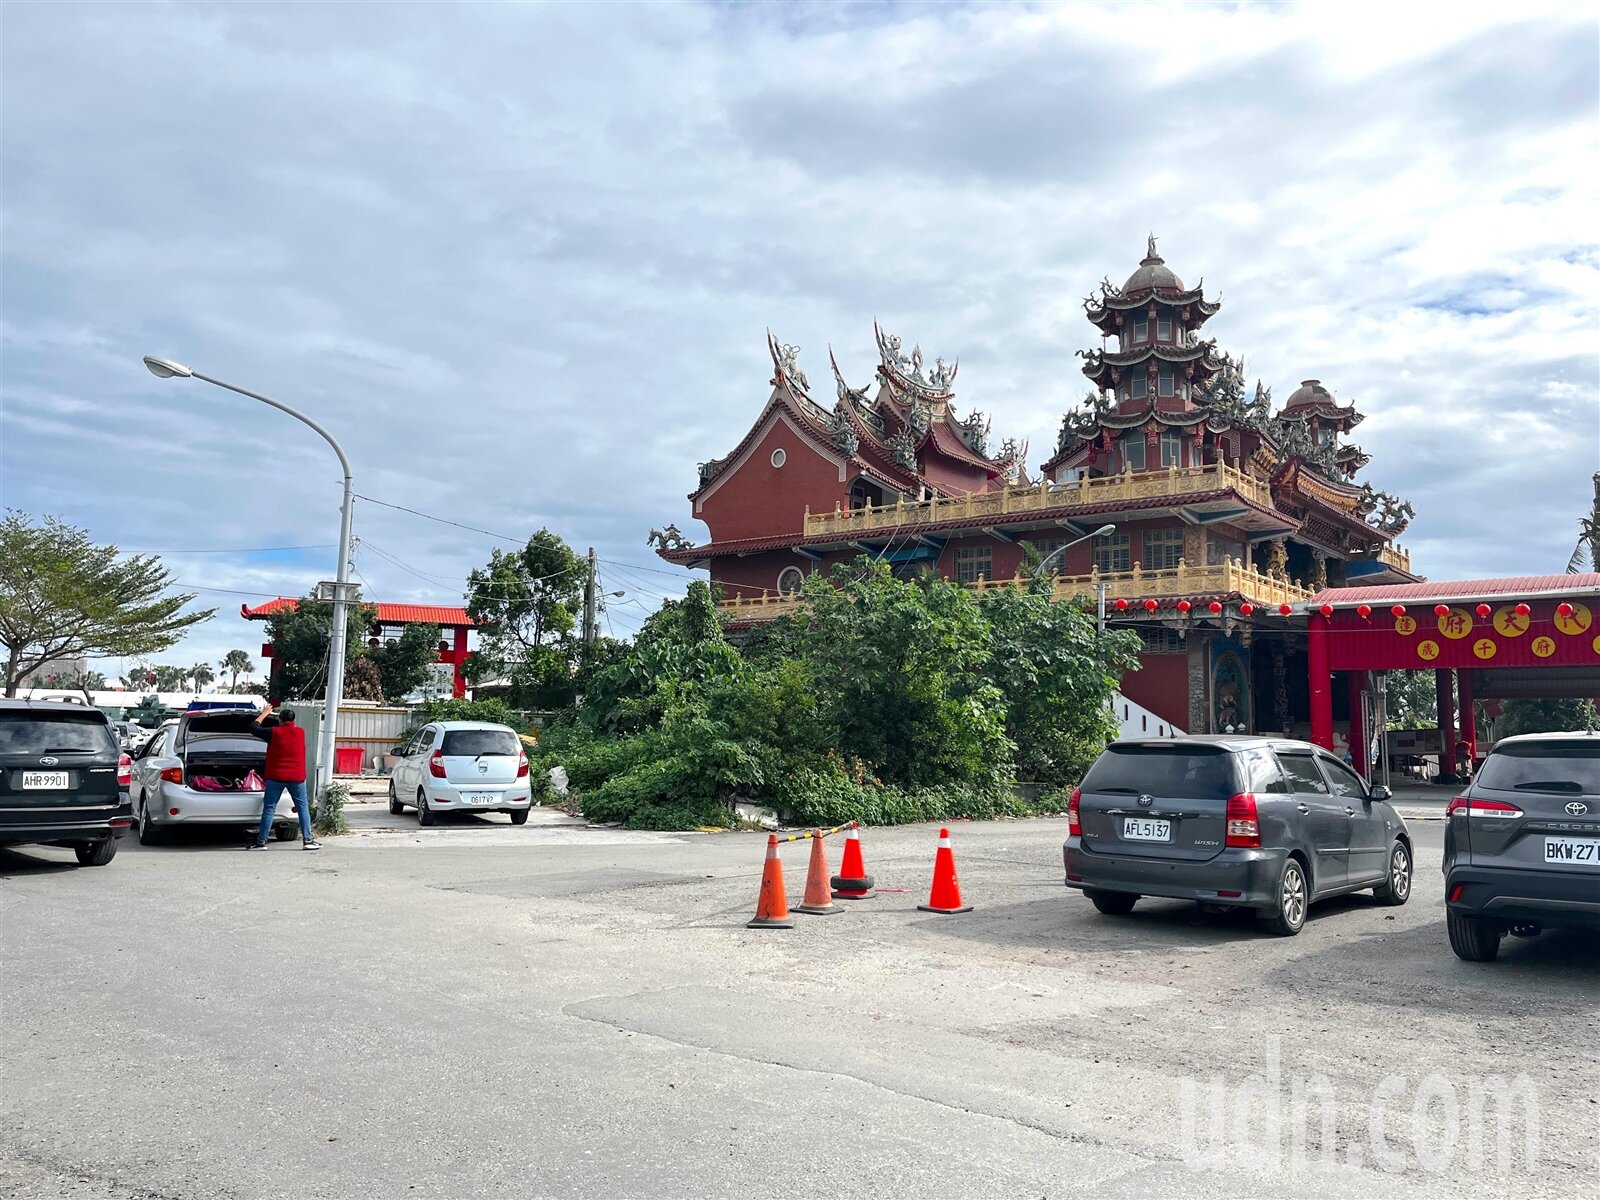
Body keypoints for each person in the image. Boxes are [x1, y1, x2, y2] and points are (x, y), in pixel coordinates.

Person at [246, 702, 320, 850]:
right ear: (294, 721)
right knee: (302, 807)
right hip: (297, 777)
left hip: (276, 777)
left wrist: (265, 713)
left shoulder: (274, 732)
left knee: (269, 808)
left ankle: (261, 842)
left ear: (279, 720)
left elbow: (253, 728)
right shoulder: (301, 732)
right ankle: (308, 840)